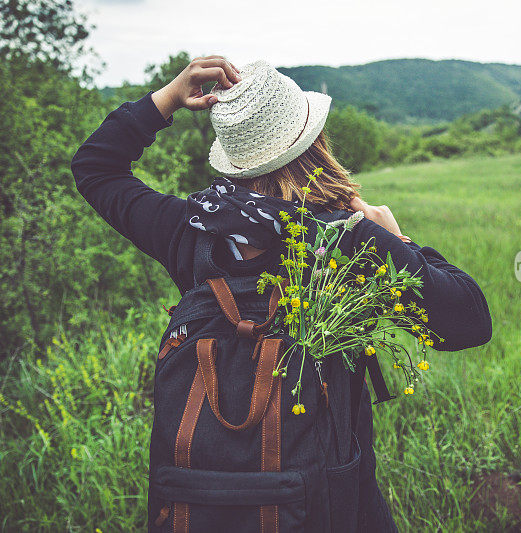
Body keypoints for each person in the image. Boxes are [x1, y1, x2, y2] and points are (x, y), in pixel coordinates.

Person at [72, 56, 492, 532]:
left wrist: (166, 98)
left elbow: (95, 166)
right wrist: (405, 245)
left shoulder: (189, 229)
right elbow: (471, 322)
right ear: (313, 144)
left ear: (233, 159)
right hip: (328, 508)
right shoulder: (348, 241)